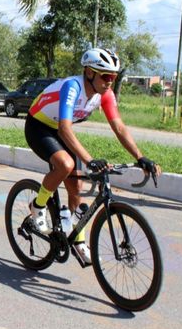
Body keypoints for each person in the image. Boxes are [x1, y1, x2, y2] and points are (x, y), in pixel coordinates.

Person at [24, 48, 161, 263]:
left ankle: (77, 240)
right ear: (89, 73)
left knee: (76, 188)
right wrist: (89, 160)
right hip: (38, 126)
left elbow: (118, 126)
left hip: (59, 129)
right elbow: (64, 129)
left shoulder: (105, 95)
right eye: (106, 76)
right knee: (65, 164)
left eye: (113, 78)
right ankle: (38, 205)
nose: (110, 82)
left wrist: (140, 157)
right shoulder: (73, 86)